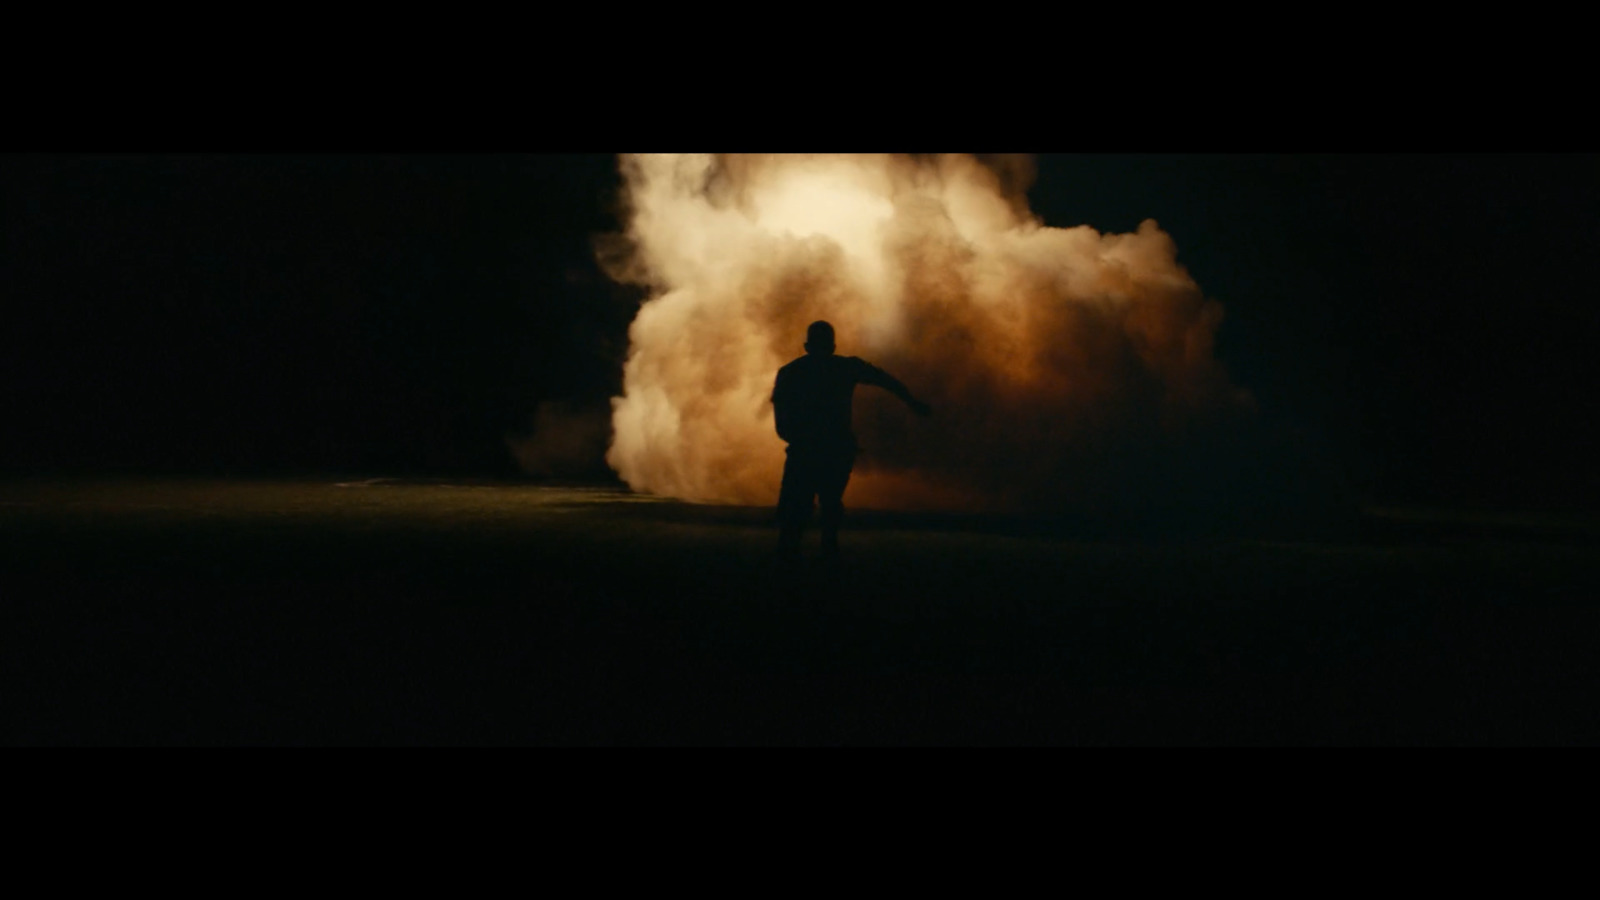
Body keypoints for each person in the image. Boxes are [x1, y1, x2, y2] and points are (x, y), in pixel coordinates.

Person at [771, 321, 931, 558]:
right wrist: (912, 402)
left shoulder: (791, 372)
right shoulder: (845, 367)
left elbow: (781, 416)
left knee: (796, 509)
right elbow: (885, 380)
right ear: (833, 346)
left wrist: (796, 438)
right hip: (836, 449)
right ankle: (827, 555)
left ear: (806, 346)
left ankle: (789, 565)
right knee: (831, 504)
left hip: (805, 450)